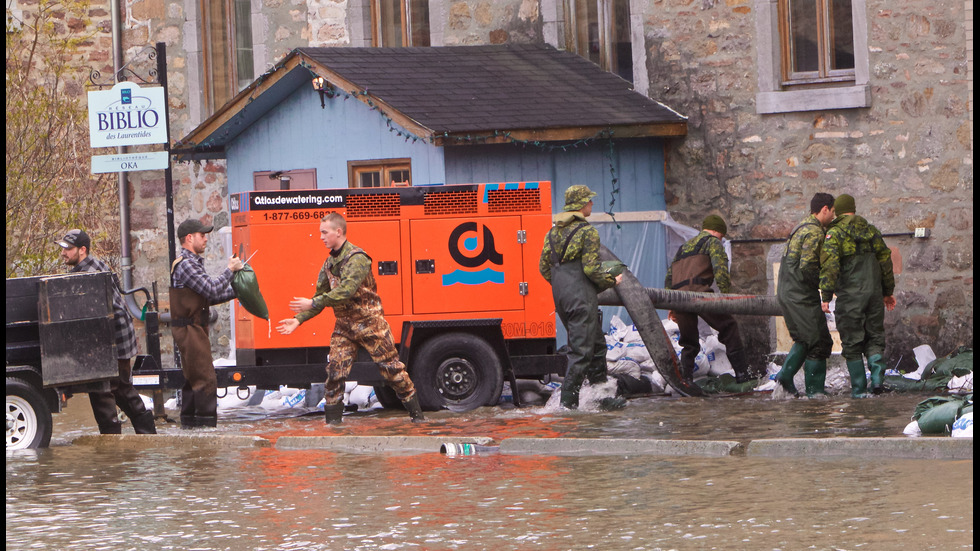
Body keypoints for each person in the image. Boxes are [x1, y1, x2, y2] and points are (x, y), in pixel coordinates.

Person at [276, 213, 424, 424]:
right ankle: (333, 426)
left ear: (339, 232)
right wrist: (298, 319)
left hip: (370, 324)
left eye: (324, 232)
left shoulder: (358, 258)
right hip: (344, 327)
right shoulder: (329, 264)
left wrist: (313, 303)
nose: (321, 237)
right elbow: (319, 297)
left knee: (393, 371)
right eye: (320, 232)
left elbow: (345, 291)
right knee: (335, 373)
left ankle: (418, 418)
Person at [57, 229, 157, 435]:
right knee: (118, 389)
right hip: (113, 339)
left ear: (82, 250)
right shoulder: (91, 265)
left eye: (68, 249)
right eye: (63, 248)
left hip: (114, 340)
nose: (63, 253)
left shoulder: (88, 275)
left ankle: (113, 446)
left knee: (105, 390)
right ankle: (144, 437)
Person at [539, 185, 624, 410]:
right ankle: (568, 406)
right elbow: (591, 269)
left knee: (597, 346)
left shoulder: (552, 233)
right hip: (581, 301)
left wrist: (565, 287)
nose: (592, 204)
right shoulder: (587, 232)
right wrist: (610, 281)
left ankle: (601, 396)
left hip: (563, 301)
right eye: (589, 200)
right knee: (581, 354)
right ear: (580, 204)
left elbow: (543, 268)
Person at [819, 194, 896, 397]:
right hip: (874, 295)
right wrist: (887, 292)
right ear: (854, 209)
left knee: (852, 342)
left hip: (850, 297)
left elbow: (830, 266)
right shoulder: (871, 231)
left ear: (837, 210)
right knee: (875, 337)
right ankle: (878, 380)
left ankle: (860, 391)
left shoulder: (834, 234)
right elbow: (886, 261)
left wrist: (825, 296)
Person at [664, 215, 754, 385]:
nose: (721, 240)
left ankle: (687, 380)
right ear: (715, 231)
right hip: (700, 295)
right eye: (721, 236)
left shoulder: (683, 248)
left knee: (689, 343)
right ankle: (742, 375)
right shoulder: (712, 242)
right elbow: (720, 270)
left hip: (678, 298)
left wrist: (671, 306)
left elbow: (669, 277)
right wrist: (725, 297)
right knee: (729, 328)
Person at [170, 219, 243, 428]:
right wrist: (230, 270)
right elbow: (211, 289)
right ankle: (206, 431)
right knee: (205, 381)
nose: (206, 239)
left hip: (191, 328)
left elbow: (206, 298)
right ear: (189, 238)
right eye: (202, 235)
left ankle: (190, 428)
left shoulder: (190, 263)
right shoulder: (186, 264)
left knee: (193, 380)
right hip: (189, 330)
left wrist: (237, 292)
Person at [773, 193, 836, 397]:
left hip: (787, 292)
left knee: (804, 338)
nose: (834, 216)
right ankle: (815, 392)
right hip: (800, 295)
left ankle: (785, 377)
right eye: (833, 211)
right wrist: (823, 286)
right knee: (819, 341)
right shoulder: (814, 232)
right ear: (824, 209)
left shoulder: (799, 228)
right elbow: (808, 266)